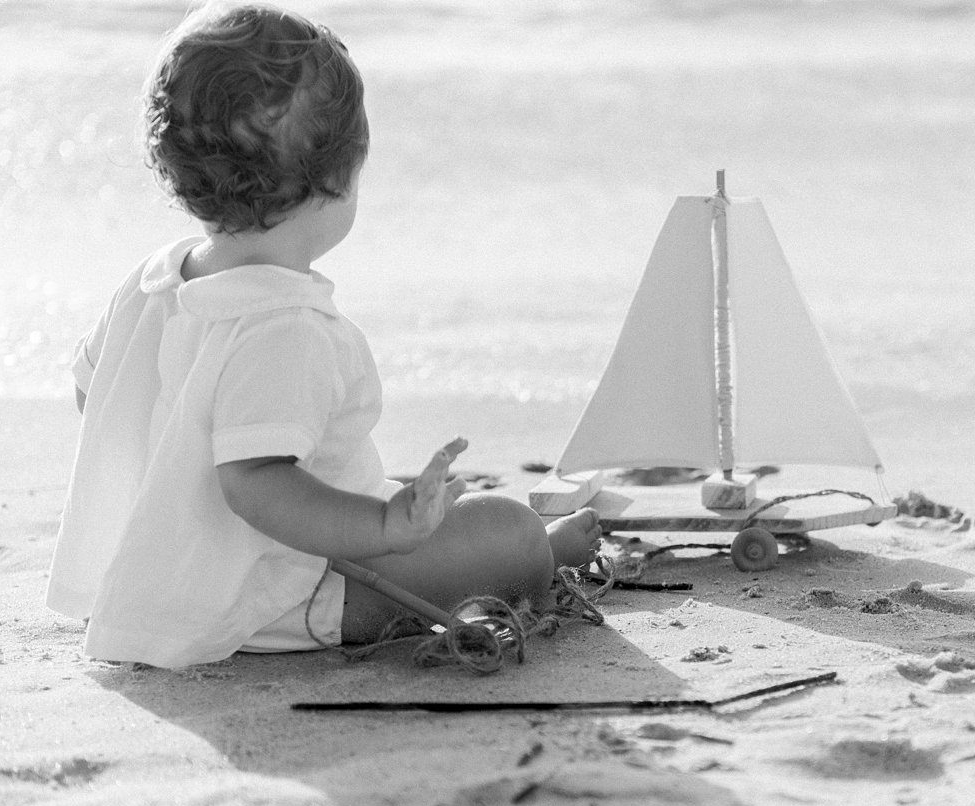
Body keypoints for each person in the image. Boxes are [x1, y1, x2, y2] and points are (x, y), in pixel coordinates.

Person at [46, 3, 600, 668]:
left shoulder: (152, 278)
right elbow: (257, 486)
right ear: (340, 178)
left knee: (376, 492)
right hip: (274, 594)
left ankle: (402, 531)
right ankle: (547, 554)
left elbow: (96, 398)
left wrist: (176, 494)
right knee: (507, 534)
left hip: (169, 576)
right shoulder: (283, 326)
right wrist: (383, 528)